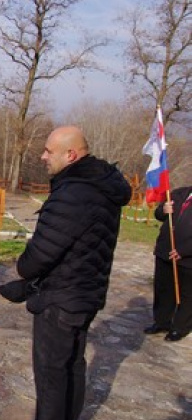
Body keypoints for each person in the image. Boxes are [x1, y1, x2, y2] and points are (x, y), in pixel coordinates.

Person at [15, 126, 131, 420]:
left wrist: (23, 267)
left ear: (71, 154)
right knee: (72, 366)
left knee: (52, 374)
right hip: (87, 293)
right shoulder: (99, 185)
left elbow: (40, 255)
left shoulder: (74, 192)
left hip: (62, 297)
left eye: (48, 151)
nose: (42, 157)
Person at [145, 187, 192, 341]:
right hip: (165, 250)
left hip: (187, 257)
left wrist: (184, 251)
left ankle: (180, 327)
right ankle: (161, 322)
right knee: (163, 289)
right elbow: (158, 214)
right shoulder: (178, 193)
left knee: (187, 294)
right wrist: (164, 210)